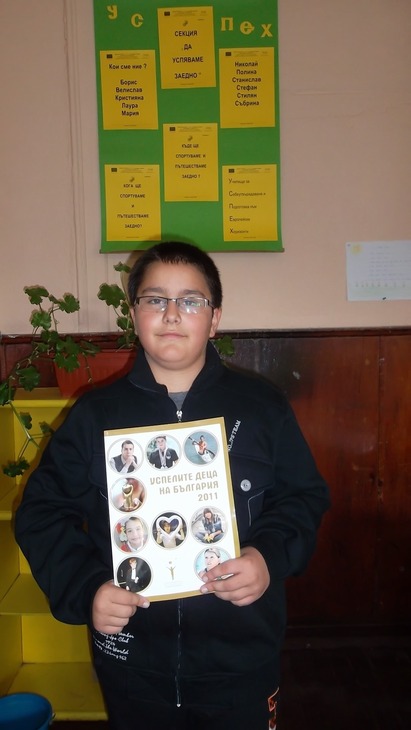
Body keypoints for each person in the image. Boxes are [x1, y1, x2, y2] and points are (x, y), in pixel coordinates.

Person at [15, 240, 330, 730]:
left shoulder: (262, 407)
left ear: (215, 318)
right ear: (134, 314)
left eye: (191, 300)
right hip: (133, 664)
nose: (172, 313)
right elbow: (41, 512)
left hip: (241, 658)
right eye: (155, 299)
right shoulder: (96, 415)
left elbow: (303, 498)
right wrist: (86, 589)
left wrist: (267, 557)